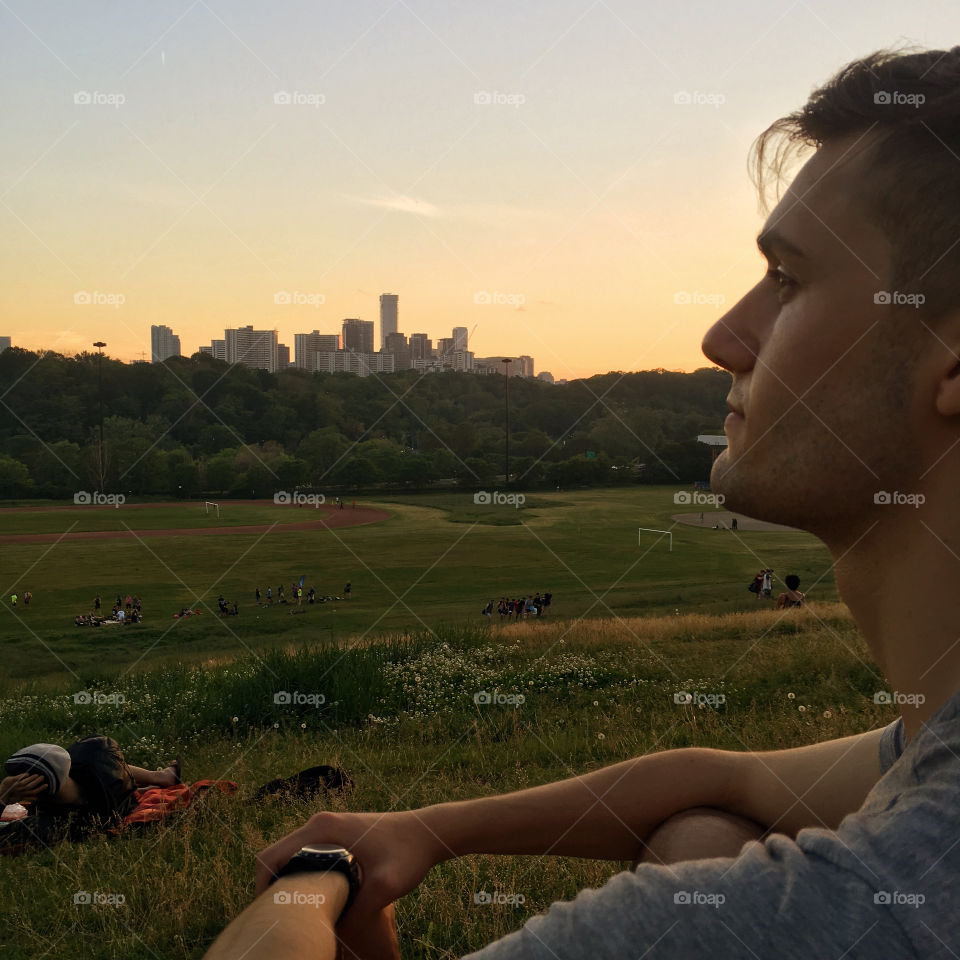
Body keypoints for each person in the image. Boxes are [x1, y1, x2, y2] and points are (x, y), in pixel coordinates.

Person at [205, 47, 960, 960]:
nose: (722, 336)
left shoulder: (878, 905)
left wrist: (315, 879)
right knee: (700, 832)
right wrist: (431, 830)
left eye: (788, 281)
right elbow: (724, 775)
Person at [1, 739, 180, 851]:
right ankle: (158, 777)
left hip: (109, 797)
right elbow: (107, 768)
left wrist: (2, 798)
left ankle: (154, 780)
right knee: (101, 766)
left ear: (33, 792)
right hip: (112, 790)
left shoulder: (50, 824)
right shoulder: (102, 764)